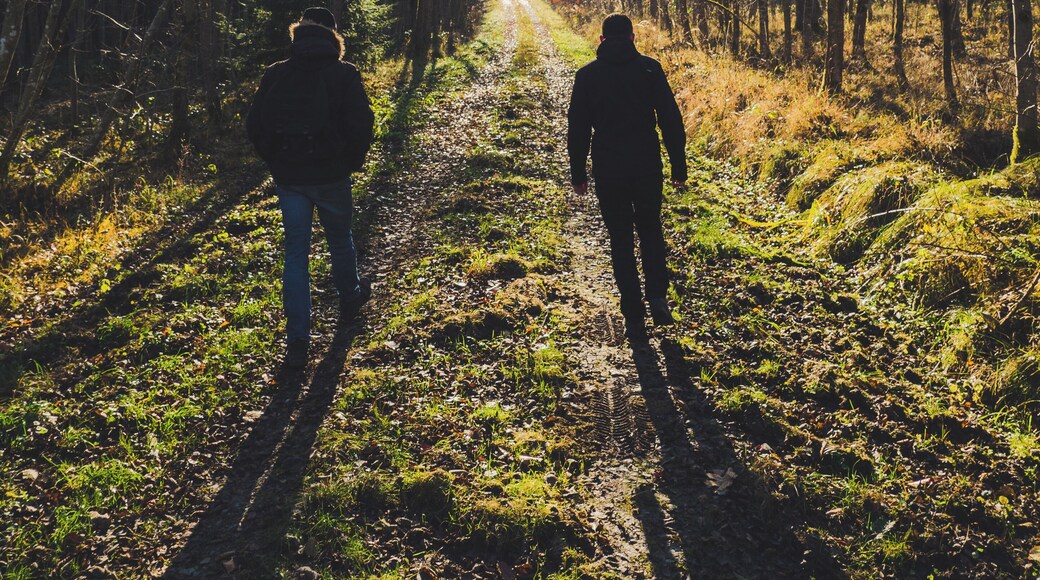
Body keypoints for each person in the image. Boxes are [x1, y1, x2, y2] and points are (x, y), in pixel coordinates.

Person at [247, 7, 375, 368]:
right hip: (332, 176)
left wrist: (276, 161)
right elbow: (362, 122)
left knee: (295, 254)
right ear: (334, 36)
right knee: (340, 239)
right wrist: (350, 161)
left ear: (298, 34)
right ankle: (350, 297)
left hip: (291, 179)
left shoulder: (276, 74)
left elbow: (255, 124)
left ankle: (298, 339)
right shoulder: (344, 74)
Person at [567, 13, 687, 341]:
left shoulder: (587, 76)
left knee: (620, 238)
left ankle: (633, 312)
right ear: (633, 38)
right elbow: (670, 120)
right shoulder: (649, 69)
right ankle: (658, 298)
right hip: (647, 164)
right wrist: (679, 165)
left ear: (602, 40)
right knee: (650, 228)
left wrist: (578, 172)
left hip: (609, 167)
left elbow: (577, 129)